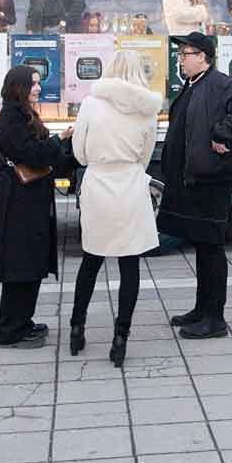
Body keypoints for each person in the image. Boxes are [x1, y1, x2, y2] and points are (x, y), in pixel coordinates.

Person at [157, 32, 232, 339]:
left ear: (203, 56)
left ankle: (215, 319)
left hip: (211, 181)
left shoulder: (220, 84)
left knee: (211, 247)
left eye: (185, 54)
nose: (180, 60)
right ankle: (201, 309)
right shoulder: (194, 85)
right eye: (180, 55)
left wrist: (221, 135)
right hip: (194, 181)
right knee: (202, 246)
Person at [68, 50, 162, 368]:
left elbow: (79, 154)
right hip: (130, 186)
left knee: (91, 260)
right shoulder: (148, 110)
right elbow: (146, 156)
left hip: (99, 184)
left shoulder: (91, 103)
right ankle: (120, 338)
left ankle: (77, 328)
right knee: (129, 264)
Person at [0, 65, 75, 347]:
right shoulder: (9, 118)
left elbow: (47, 156)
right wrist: (60, 139)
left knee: (30, 264)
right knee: (19, 265)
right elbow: (33, 154)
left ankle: (24, 322)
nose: (38, 88)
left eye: (39, 83)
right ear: (19, 87)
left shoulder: (24, 114)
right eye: (34, 83)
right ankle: (11, 330)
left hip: (31, 201)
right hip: (18, 203)